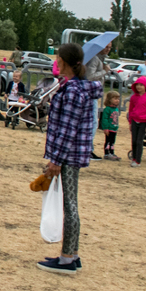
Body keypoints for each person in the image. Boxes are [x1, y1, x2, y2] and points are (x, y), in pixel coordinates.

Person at [37, 43, 102, 275]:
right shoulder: (72, 86)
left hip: (69, 155)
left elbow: (68, 129)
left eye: (58, 58)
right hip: (70, 153)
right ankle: (72, 253)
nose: (56, 61)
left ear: (63, 61)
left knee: (70, 205)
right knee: (70, 203)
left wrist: (56, 160)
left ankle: (67, 259)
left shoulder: (73, 91)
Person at [84, 42, 112, 159]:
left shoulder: (100, 59)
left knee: (91, 122)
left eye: (109, 47)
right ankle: (87, 150)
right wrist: (104, 71)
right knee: (93, 122)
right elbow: (90, 76)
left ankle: (87, 148)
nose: (108, 49)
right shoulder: (94, 59)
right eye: (106, 46)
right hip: (90, 93)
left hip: (93, 93)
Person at [127, 76, 146, 168]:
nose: (139, 87)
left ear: (145, 86)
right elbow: (131, 110)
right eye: (137, 85)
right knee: (134, 140)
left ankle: (138, 160)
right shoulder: (133, 97)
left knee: (139, 141)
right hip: (134, 121)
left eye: (141, 85)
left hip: (143, 122)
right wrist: (130, 122)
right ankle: (134, 158)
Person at [100, 91, 121, 161]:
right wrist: (105, 128)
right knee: (108, 141)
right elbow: (104, 119)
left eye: (118, 99)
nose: (117, 100)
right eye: (115, 99)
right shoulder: (107, 109)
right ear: (109, 100)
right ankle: (107, 153)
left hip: (114, 128)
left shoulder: (116, 109)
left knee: (112, 142)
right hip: (109, 128)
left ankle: (112, 153)